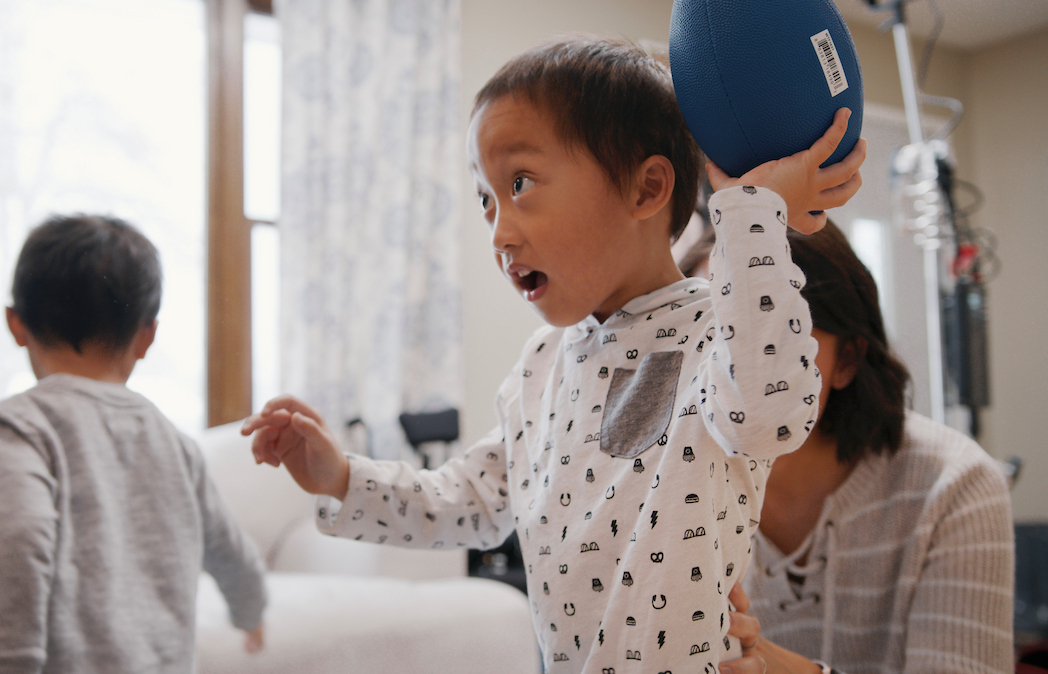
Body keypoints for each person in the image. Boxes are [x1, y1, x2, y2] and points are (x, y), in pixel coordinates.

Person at [242, 36, 865, 672]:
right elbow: (474, 502)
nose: (499, 232)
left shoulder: (718, 327)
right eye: (486, 199)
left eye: (520, 184)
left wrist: (753, 216)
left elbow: (771, 416)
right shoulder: (542, 364)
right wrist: (340, 477)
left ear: (646, 189)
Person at [0, 215, 268, 673]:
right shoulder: (173, 441)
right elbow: (229, 548)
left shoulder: (16, 427)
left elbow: (16, 546)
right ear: (147, 336)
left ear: (16, 323)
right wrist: (252, 612)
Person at [713, 222, 1015, 674]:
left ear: (848, 359)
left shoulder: (954, 487)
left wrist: (778, 668)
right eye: (713, 335)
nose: (732, 367)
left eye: (772, 339)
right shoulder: (673, 488)